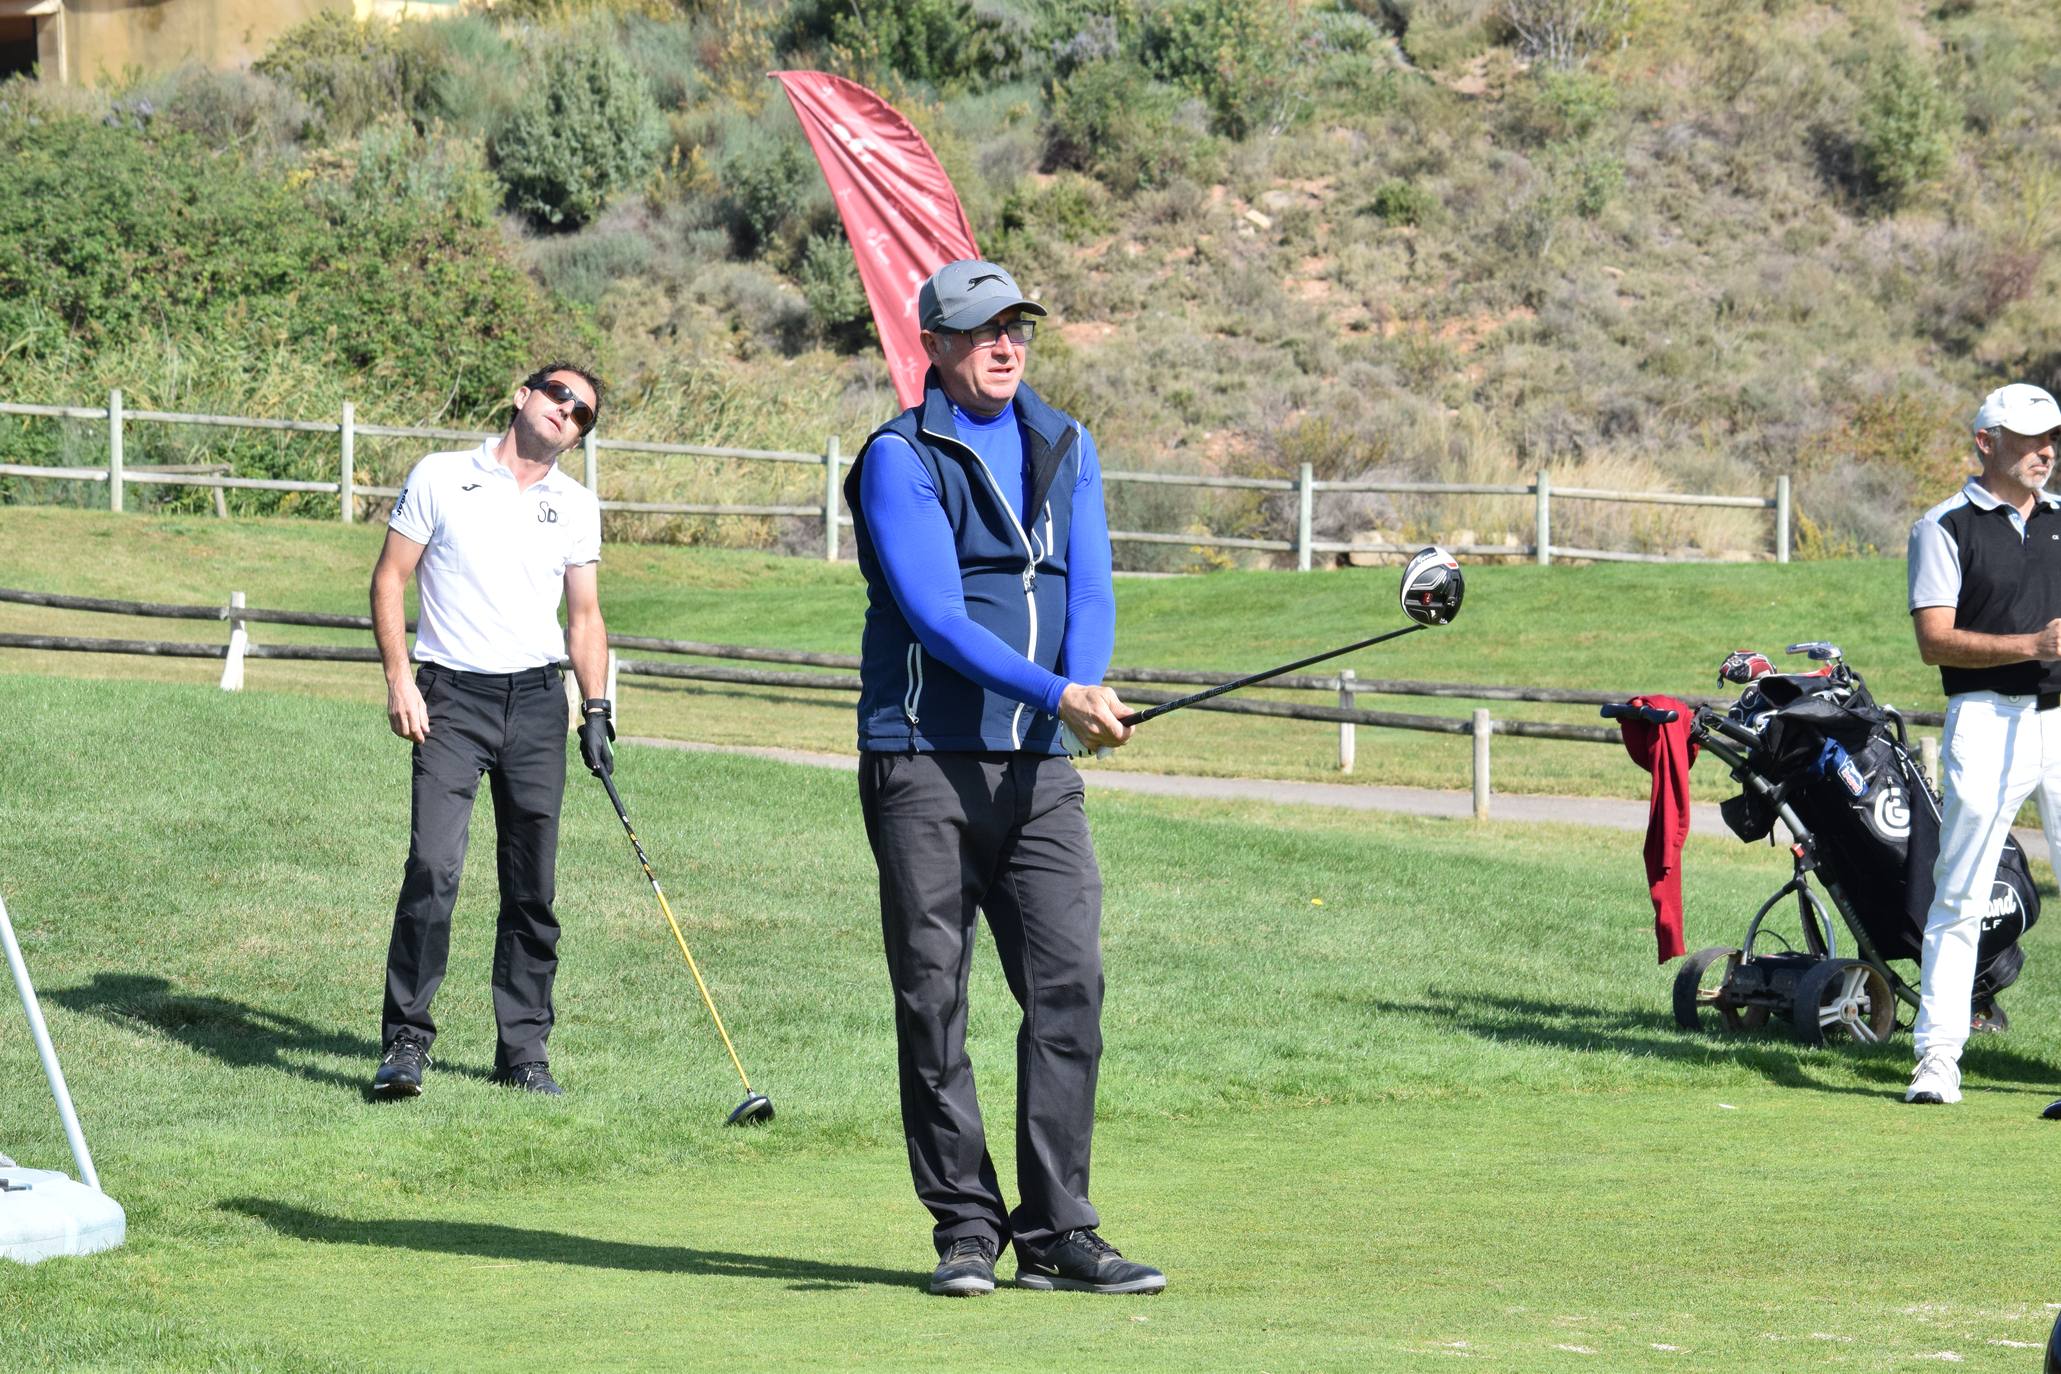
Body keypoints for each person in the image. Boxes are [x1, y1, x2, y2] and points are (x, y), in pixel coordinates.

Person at [846, 259, 1164, 1297]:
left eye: (1018, 326)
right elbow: (937, 617)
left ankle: (1059, 1229)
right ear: (933, 345)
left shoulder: (1066, 443)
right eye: (983, 330)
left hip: (1039, 766)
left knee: (1070, 985)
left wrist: (1085, 687)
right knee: (934, 997)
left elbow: (1093, 583)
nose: (1006, 345)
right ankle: (965, 1229)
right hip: (921, 761)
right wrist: (1056, 693)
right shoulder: (901, 456)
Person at [367, 362, 617, 1099]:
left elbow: (585, 617)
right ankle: (406, 1043)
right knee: (434, 870)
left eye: (583, 416)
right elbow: (389, 580)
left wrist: (595, 709)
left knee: (531, 886)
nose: (568, 415)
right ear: (523, 395)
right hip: (450, 698)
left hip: (539, 703)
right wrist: (398, 679)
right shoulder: (442, 476)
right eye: (560, 398)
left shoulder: (574, 505)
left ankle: (523, 1052)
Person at [1906, 381, 2061, 1106]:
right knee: (1960, 891)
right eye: (2029, 439)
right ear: (1984, 442)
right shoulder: (1942, 526)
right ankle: (1937, 1060)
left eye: (2050, 438)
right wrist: (2029, 644)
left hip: (2058, 721)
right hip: (1983, 716)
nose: (2044, 452)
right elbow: (1934, 642)